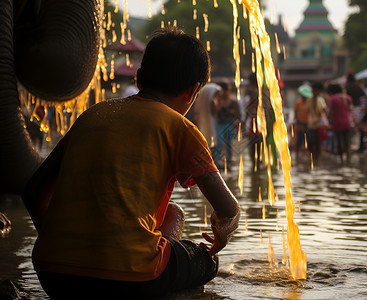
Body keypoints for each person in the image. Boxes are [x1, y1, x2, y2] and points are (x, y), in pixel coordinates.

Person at [22, 27, 240, 299]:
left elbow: (32, 192)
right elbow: (229, 209)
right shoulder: (180, 127)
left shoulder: (92, 115)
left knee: (171, 212)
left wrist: (63, 246)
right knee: (206, 262)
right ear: (192, 91)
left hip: (53, 275)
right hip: (129, 279)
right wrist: (223, 234)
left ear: (138, 78)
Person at [215, 80, 241, 169]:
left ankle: (229, 163)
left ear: (228, 90)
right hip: (219, 125)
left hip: (229, 125)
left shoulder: (233, 102)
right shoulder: (217, 101)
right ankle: (217, 162)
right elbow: (213, 112)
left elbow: (239, 115)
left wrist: (232, 112)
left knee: (229, 144)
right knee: (218, 143)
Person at [327, 84, 353, 164]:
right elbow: (351, 109)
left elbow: (330, 112)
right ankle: (348, 160)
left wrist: (327, 116)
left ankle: (341, 161)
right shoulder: (347, 97)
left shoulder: (333, 99)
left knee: (339, 143)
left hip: (337, 123)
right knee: (347, 143)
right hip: (347, 123)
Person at [306, 82, 327, 163]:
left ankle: (317, 159)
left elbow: (324, 110)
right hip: (311, 124)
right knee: (311, 142)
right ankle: (312, 158)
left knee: (318, 143)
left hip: (319, 124)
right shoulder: (309, 100)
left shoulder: (321, 100)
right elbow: (307, 111)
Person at [294, 84, 312, 161]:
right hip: (300, 123)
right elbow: (296, 113)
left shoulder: (310, 103)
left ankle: (309, 155)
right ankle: (297, 155)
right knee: (299, 139)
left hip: (308, 124)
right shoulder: (298, 103)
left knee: (309, 140)